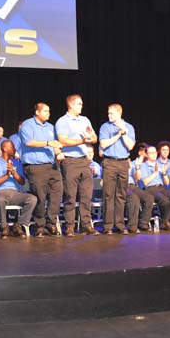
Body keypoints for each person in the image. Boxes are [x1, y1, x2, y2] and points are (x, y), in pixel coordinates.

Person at [56, 94, 98, 236]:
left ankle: (86, 224)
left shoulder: (84, 120)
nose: (82, 106)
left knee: (86, 194)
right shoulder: (62, 121)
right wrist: (81, 141)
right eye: (79, 104)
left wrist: (89, 138)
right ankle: (69, 226)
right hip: (70, 161)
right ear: (71, 105)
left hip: (84, 160)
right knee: (70, 196)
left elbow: (94, 137)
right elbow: (64, 141)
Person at [20, 102, 64, 237]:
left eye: (49, 111)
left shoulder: (50, 127)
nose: (48, 113)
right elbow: (29, 142)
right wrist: (47, 143)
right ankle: (40, 225)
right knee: (40, 196)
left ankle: (51, 224)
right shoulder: (28, 125)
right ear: (37, 112)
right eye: (45, 111)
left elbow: (55, 144)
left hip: (52, 166)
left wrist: (58, 152)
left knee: (57, 193)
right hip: (35, 166)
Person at [98, 103, 136, 235]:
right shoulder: (105, 127)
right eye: (108, 113)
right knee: (108, 194)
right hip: (109, 162)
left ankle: (119, 225)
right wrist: (117, 135)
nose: (109, 115)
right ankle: (107, 226)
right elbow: (103, 144)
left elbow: (130, 146)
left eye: (111, 113)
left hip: (123, 163)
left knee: (121, 195)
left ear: (119, 113)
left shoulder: (129, 127)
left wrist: (124, 133)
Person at [0, 140, 37, 238]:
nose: (14, 149)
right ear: (5, 149)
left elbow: (22, 182)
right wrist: (7, 176)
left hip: (15, 193)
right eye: (12, 147)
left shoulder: (17, 163)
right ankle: (4, 227)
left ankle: (18, 225)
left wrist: (14, 172)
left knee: (32, 199)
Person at [132, 143, 170, 231]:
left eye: (155, 153)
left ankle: (166, 220)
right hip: (150, 189)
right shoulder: (143, 166)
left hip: (161, 188)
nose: (154, 154)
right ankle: (165, 222)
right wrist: (155, 173)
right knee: (164, 200)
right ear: (146, 154)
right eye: (151, 153)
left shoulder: (160, 165)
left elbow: (167, 182)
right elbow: (145, 183)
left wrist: (164, 173)